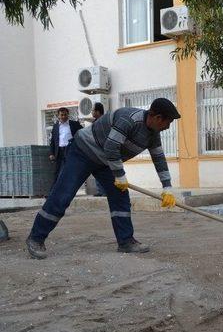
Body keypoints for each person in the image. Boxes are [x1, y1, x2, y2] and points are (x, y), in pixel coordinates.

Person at [25, 98, 180, 259]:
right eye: (168, 122)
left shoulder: (153, 134)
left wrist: (167, 187)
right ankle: (36, 238)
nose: (168, 127)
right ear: (157, 118)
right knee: (63, 194)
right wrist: (120, 176)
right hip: (83, 151)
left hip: (105, 161)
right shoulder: (128, 119)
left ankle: (125, 241)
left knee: (120, 198)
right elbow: (111, 147)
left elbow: (159, 158)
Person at [49, 107, 82, 181]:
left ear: (68, 115)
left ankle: (70, 189)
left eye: (65, 115)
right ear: (58, 116)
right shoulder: (55, 126)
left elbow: (82, 134)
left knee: (71, 170)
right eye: (62, 115)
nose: (64, 117)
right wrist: (51, 153)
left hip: (70, 150)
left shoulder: (74, 124)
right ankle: (55, 190)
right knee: (57, 172)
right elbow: (53, 141)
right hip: (59, 152)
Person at [90, 102, 106, 197]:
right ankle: (101, 190)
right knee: (96, 170)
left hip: (103, 150)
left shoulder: (104, 121)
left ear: (97, 111)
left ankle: (105, 191)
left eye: (93, 110)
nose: (91, 112)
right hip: (96, 150)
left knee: (105, 171)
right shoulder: (94, 122)